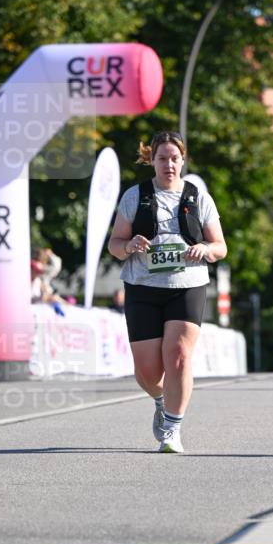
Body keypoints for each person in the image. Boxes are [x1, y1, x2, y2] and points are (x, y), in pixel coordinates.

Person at [108, 131, 227, 452]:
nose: (169, 164)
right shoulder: (135, 196)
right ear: (152, 160)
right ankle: (162, 400)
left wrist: (205, 248)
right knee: (147, 372)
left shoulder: (198, 196)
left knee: (178, 357)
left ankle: (172, 428)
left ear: (183, 160)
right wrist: (129, 244)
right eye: (162, 158)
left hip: (187, 286)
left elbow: (221, 246)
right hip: (142, 287)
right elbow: (114, 244)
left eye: (174, 158)